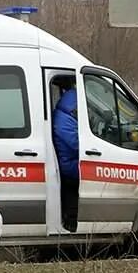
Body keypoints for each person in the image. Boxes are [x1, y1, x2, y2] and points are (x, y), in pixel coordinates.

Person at [52, 75, 79, 232]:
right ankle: (72, 218)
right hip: (68, 165)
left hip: (69, 161)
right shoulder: (64, 121)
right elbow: (76, 145)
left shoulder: (65, 115)